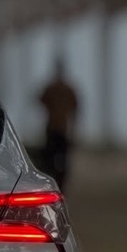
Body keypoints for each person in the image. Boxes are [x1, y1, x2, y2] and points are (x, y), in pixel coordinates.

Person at [38, 58, 79, 192]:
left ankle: (54, 185)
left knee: (50, 161)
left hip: (53, 128)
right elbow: (75, 109)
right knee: (61, 162)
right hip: (61, 129)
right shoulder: (67, 89)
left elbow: (40, 101)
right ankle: (60, 187)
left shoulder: (52, 88)